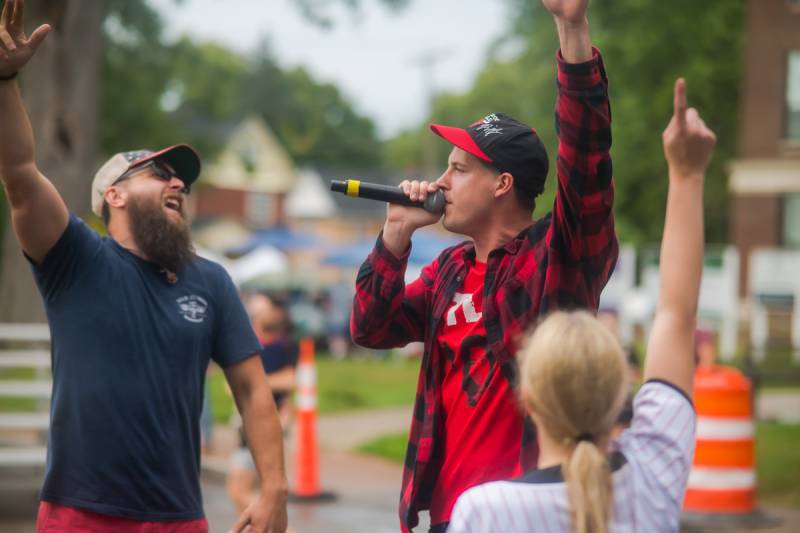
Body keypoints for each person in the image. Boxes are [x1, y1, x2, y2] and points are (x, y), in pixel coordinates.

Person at [0, 2, 287, 531]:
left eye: (183, 180)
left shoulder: (213, 281)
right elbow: (19, 172)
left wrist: (275, 489)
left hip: (179, 517)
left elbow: (251, 389)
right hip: (78, 513)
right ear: (115, 194)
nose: (178, 184)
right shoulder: (75, 260)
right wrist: (5, 79)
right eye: (160, 174)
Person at [350, 1, 617, 530]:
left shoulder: (554, 260)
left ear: (502, 184)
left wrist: (571, 28)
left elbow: (586, 158)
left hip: (531, 514)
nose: (441, 182)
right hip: (452, 517)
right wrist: (395, 236)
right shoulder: (447, 273)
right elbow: (370, 327)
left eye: (458, 169)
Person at [448, 77, 716, 533]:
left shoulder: (485, 511)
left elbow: (675, 316)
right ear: (621, 398)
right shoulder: (653, 474)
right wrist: (687, 176)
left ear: (527, 401)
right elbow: (676, 314)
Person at [228, 295, 298, 514]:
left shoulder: (281, 347)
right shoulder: (250, 346)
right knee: (246, 493)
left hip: (264, 423)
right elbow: (230, 387)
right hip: (249, 424)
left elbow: (290, 379)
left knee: (241, 492)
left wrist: (255, 384)